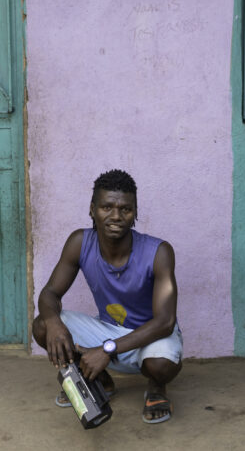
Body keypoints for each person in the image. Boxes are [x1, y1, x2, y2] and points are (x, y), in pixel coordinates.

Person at [32, 169, 182, 424]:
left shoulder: (159, 252)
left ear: (135, 213)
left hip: (149, 336)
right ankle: (100, 381)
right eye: (106, 207)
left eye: (125, 209)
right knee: (43, 325)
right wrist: (55, 324)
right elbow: (50, 293)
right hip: (108, 330)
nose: (116, 216)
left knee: (160, 365)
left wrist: (106, 349)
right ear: (92, 210)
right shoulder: (80, 242)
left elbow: (165, 322)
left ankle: (156, 387)